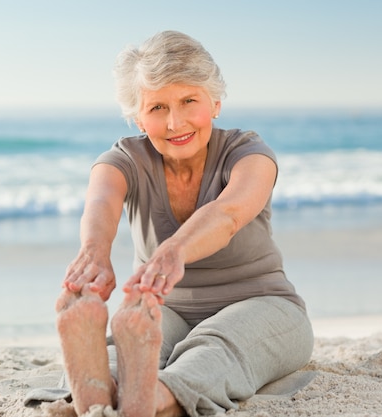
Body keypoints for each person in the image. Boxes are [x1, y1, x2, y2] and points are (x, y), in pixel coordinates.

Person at [54, 30, 313, 417]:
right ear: (137, 116)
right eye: (157, 108)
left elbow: (228, 214)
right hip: (161, 306)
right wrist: (94, 253)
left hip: (262, 302)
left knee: (216, 343)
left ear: (215, 102)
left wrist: (174, 249)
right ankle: (124, 392)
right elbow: (101, 201)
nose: (175, 122)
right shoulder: (124, 158)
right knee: (130, 349)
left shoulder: (249, 154)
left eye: (189, 101)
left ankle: (130, 396)